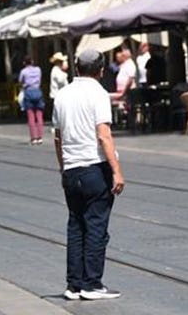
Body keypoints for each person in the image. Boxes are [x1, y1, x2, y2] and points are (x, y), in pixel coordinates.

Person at [54, 49, 126, 301]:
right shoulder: (98, 93)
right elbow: (103, 134)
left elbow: (58, 136)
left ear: (76, 67)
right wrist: (116, 171)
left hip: (71, 170)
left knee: (76, 225)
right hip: (94, 167)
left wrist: (64, 167)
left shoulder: (62, 95)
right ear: (101, 70)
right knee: (96, 226)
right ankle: (92, 284)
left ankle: (73, 285)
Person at [19, 56, 46, 145]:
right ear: (32, 61)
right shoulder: (38, 70)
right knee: (39, 115)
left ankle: (33, 138)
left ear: (24, 63)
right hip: (37, 91)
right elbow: (40, 79)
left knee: (31, 116)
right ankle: (40, 137)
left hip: (28, 92)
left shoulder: (23, 71)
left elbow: (20, 81)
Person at [49, 52, 70, 122]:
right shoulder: (56, 70)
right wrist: (65, 72)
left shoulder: (58, 70)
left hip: (61, 95)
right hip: (57, 95)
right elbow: (60, 80)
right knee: (60, 113)